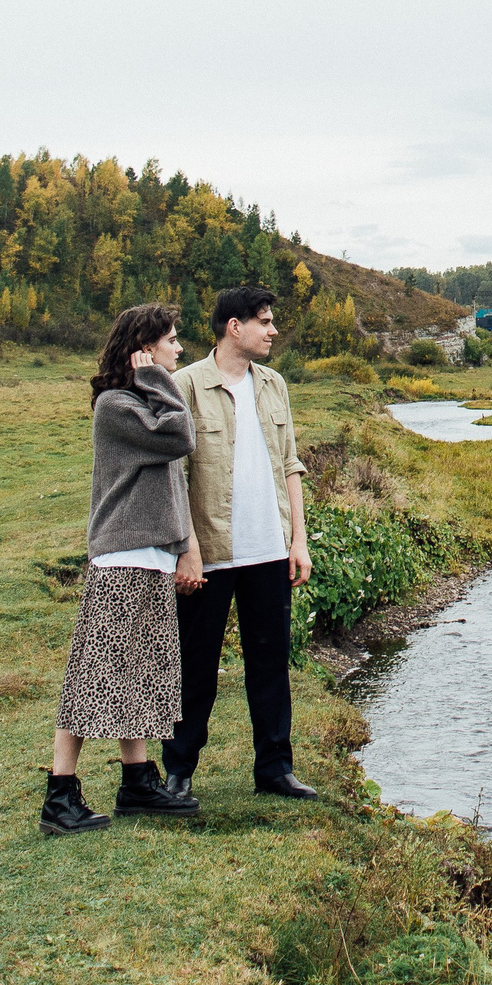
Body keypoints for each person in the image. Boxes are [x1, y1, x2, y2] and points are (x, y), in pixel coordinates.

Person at [43, 302, 207, 835]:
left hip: (151, 557)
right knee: (94, 677)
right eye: (171, 342)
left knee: (139, 674)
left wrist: (184, 545)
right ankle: (60, 796)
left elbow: (173, 480)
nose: (178, 349)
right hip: (122, 559)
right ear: (144, 350)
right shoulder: (116, 405)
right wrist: (156, 379)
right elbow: (182, 436)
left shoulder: (142, 404)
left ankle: (137, 780)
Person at [162, 283, 316, 800]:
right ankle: (179, 772)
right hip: (210, 552)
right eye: (265, 321)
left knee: (271, 661)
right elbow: (174, 476)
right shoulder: (185, 384)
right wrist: (187, 548)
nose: (273, 331)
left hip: (270, 551)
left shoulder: (274, 384)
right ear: (235, 327)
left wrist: (299, 540)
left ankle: (275, 769)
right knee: (196, 665)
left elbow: (290, 465)